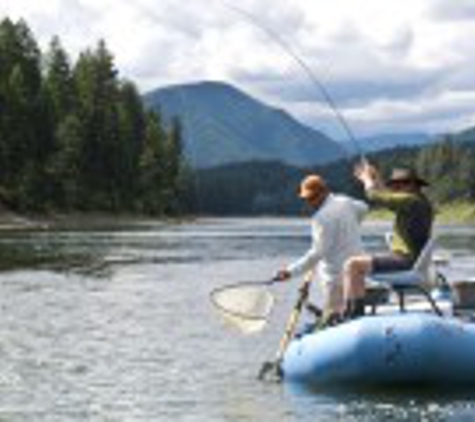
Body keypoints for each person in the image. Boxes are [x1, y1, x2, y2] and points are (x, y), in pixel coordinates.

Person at [343, 162, 434, 319]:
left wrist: (366, 179)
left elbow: (375, 196)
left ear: (413, 185)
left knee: (353, 265)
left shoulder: (410, 201)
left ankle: (354, 315)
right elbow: (388, 196)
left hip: (405, 261)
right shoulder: (417, 201)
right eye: (395, 185)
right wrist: (376, 178)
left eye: (401, 184)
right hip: (407, 259)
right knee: (355, 264)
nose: (396, 188)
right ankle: (351, 311)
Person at [275, 174, 368, 326]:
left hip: (335, 278)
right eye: (306, 199)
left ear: (324, 192)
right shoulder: (344, 201)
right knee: (350, 316)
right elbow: (364, 208)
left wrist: (290, 272)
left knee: (334, 320)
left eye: (312, 198)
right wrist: (352, 225)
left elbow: (317, 253)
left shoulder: (321, 218)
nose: (309, 202)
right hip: (358, 274)